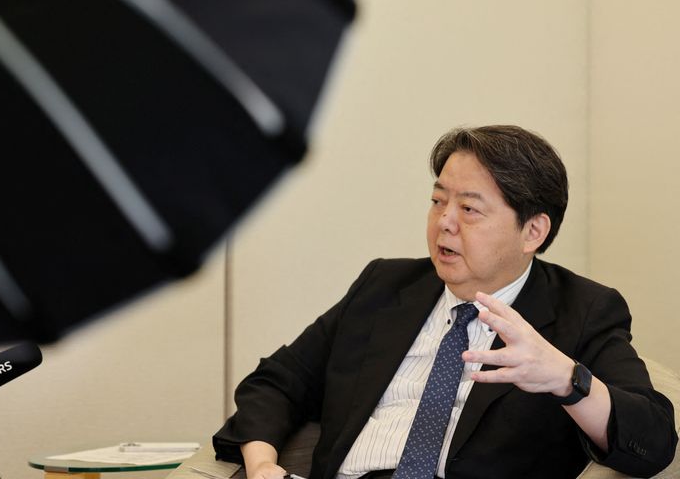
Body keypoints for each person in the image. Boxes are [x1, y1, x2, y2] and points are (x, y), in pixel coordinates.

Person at [213, 125, 677, 479]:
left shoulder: (583, 310)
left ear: (534, 231)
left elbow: (653, 441)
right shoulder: (385, 286)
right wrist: (261, 465)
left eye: (469, 209)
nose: (444, 223)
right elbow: (276, 382)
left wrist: (565, 379)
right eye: (438, 202)